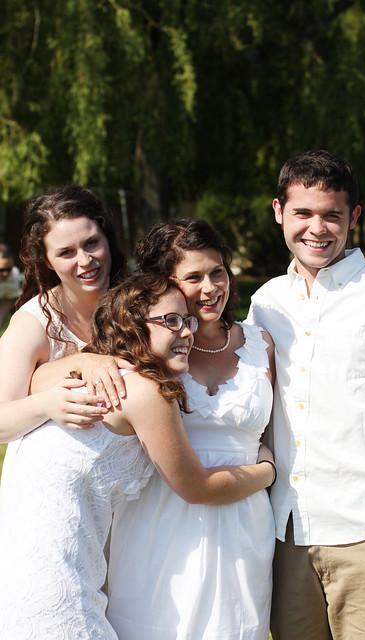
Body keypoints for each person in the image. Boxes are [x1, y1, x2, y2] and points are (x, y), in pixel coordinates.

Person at [0, 272, 276, 638]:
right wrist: (267, 469)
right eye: (171, 321)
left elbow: (40, 378)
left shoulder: (90, 373)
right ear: (132, 326)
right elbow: (198, 487)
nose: (187, 333)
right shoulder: (144, 392)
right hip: (57, 584)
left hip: (20, 569)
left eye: (188, 320)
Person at [246, 149, 365, 640]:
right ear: (279, 211)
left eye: (332, 215)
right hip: (284, 534)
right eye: (303, 212)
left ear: (355, 216)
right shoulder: (265, 303)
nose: (317, 228)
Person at [105, 219, 276, 639]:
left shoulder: (262, 345)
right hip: (159, 523)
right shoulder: (146, 349)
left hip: (243, 528)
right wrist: (268, 471)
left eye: (217, 271)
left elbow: (272, 432)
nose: (210, 287)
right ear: (165, 283)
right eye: (193, 277)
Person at [0, 185, 130, 502]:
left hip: (131, 493)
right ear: (47, 261)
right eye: (66, 253)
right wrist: (47, 404)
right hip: (55, 497)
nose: (85, 260)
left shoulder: (138, 305)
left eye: (91, 243)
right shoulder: (33, 323)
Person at [0, 243, 23, 330]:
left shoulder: (14, 276)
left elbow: (7, 301)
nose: (5, 274)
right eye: (2, 270)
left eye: (8, 269)